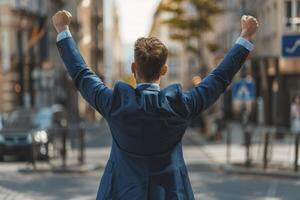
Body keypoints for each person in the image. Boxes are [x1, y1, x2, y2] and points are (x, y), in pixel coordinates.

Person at [52, 10, 258, 200]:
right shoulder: (181, 105)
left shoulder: (114, 104)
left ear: (133, 68)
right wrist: (245, 37)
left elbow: (81, 74)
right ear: (164, 70)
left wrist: (63, 30)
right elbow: (220, 78)